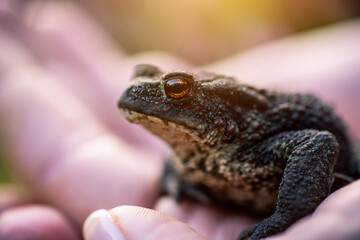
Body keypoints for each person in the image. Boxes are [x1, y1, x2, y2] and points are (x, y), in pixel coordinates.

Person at [0, 2, 359, 240]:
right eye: (140, 78)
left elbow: (318, 143)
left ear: (213, 110)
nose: (139, 89)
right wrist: (177, 177)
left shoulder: (245, 142)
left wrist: (287, 215)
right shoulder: (186, 147)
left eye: (173, 88)